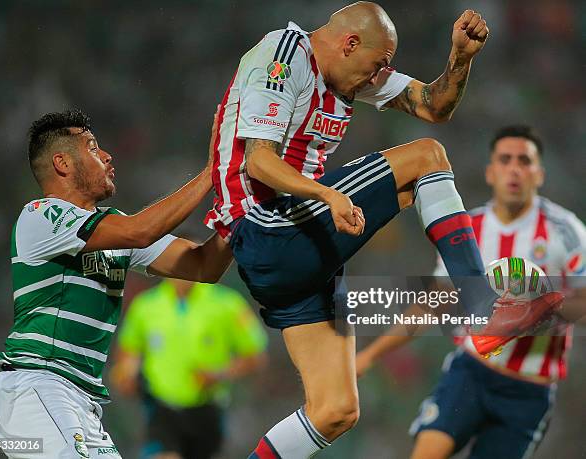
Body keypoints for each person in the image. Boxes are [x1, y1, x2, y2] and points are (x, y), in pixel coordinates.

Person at [202, 2, 564, 457]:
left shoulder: (349, 72)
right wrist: (330, 196)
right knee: (427, 157)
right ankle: (481, 307)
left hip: (295, 251)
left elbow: (433, 106)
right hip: (267, 227)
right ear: (349, 44)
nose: (380, 76)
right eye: (377, 65)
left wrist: (460, 59)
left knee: (335, 410)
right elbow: (259, 159)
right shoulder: (286, 54)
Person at [0, 109, 232, 459]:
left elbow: (204, 265)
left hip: (82, 402)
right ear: (62, 163)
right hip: (38, 385)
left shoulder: (112, 228)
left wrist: (241, 207)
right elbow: (140, 231)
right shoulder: (41, 215)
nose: (106, 156)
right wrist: (213, 172)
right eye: (92, 147)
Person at [356, 125, 586, 459]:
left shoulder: (567, 232)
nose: (515, 169)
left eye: (525, 161)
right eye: (505, 160)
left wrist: (540, 307)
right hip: (471, 372)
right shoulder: (468, 230)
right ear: (491, 172)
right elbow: (437, 301)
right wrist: (371, 354)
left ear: (539, 174)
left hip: (529, 390)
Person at [111, 277, 268, 459]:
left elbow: (255, 355)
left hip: (207, 409)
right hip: (162, 408)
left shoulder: (227, 303)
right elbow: (129, 350)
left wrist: (219, 374)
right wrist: (126, 373)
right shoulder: (146, 305)